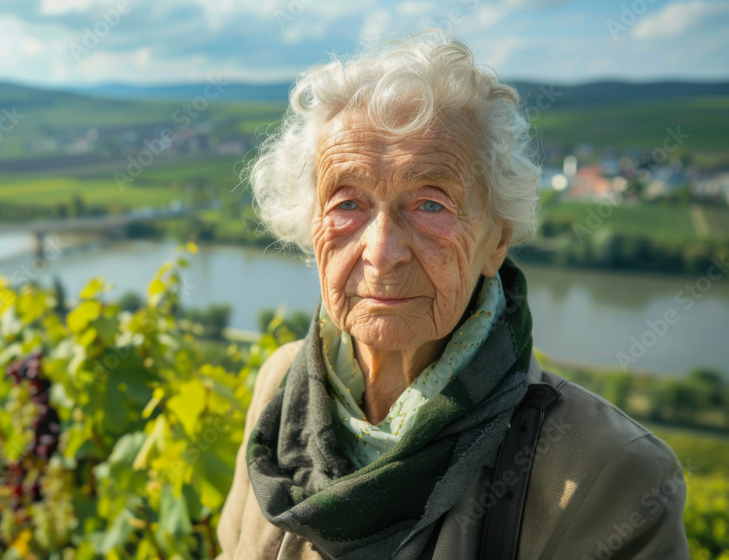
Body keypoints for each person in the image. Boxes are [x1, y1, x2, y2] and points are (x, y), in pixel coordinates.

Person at [216, 30, 689, 560]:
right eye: (348, 202)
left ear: (497, 239)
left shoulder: (610, 472)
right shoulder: (281, 383)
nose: (382, 251)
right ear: (311, 227)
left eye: (431, 204)